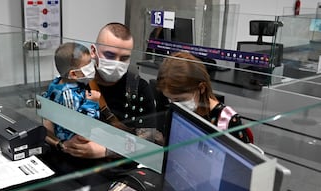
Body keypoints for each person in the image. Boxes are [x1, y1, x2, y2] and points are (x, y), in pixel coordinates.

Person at [57, 22, 162, 159]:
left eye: (124, 58)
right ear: (93, 51)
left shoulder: (139, 88)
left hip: (116, 169)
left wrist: (105, 151)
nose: (117, 63)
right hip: (72, 161)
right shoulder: (75, 79)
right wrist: (62, 144)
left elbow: (147, 141)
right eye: (110, 55)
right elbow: (48, 123)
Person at [156, 51, 251, 143]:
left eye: (180, 99)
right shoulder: (175, 113)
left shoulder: (227, 121)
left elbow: (244, 157)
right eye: (170, 99)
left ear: (201, 88)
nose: (174, 104)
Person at [43, 42, 100, 149]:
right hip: (73, 144)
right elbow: (81, 126)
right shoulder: (68, 96)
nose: (91, 67)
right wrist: (92, 103)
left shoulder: (57, 83)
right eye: (87, 65)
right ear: (73, 74)